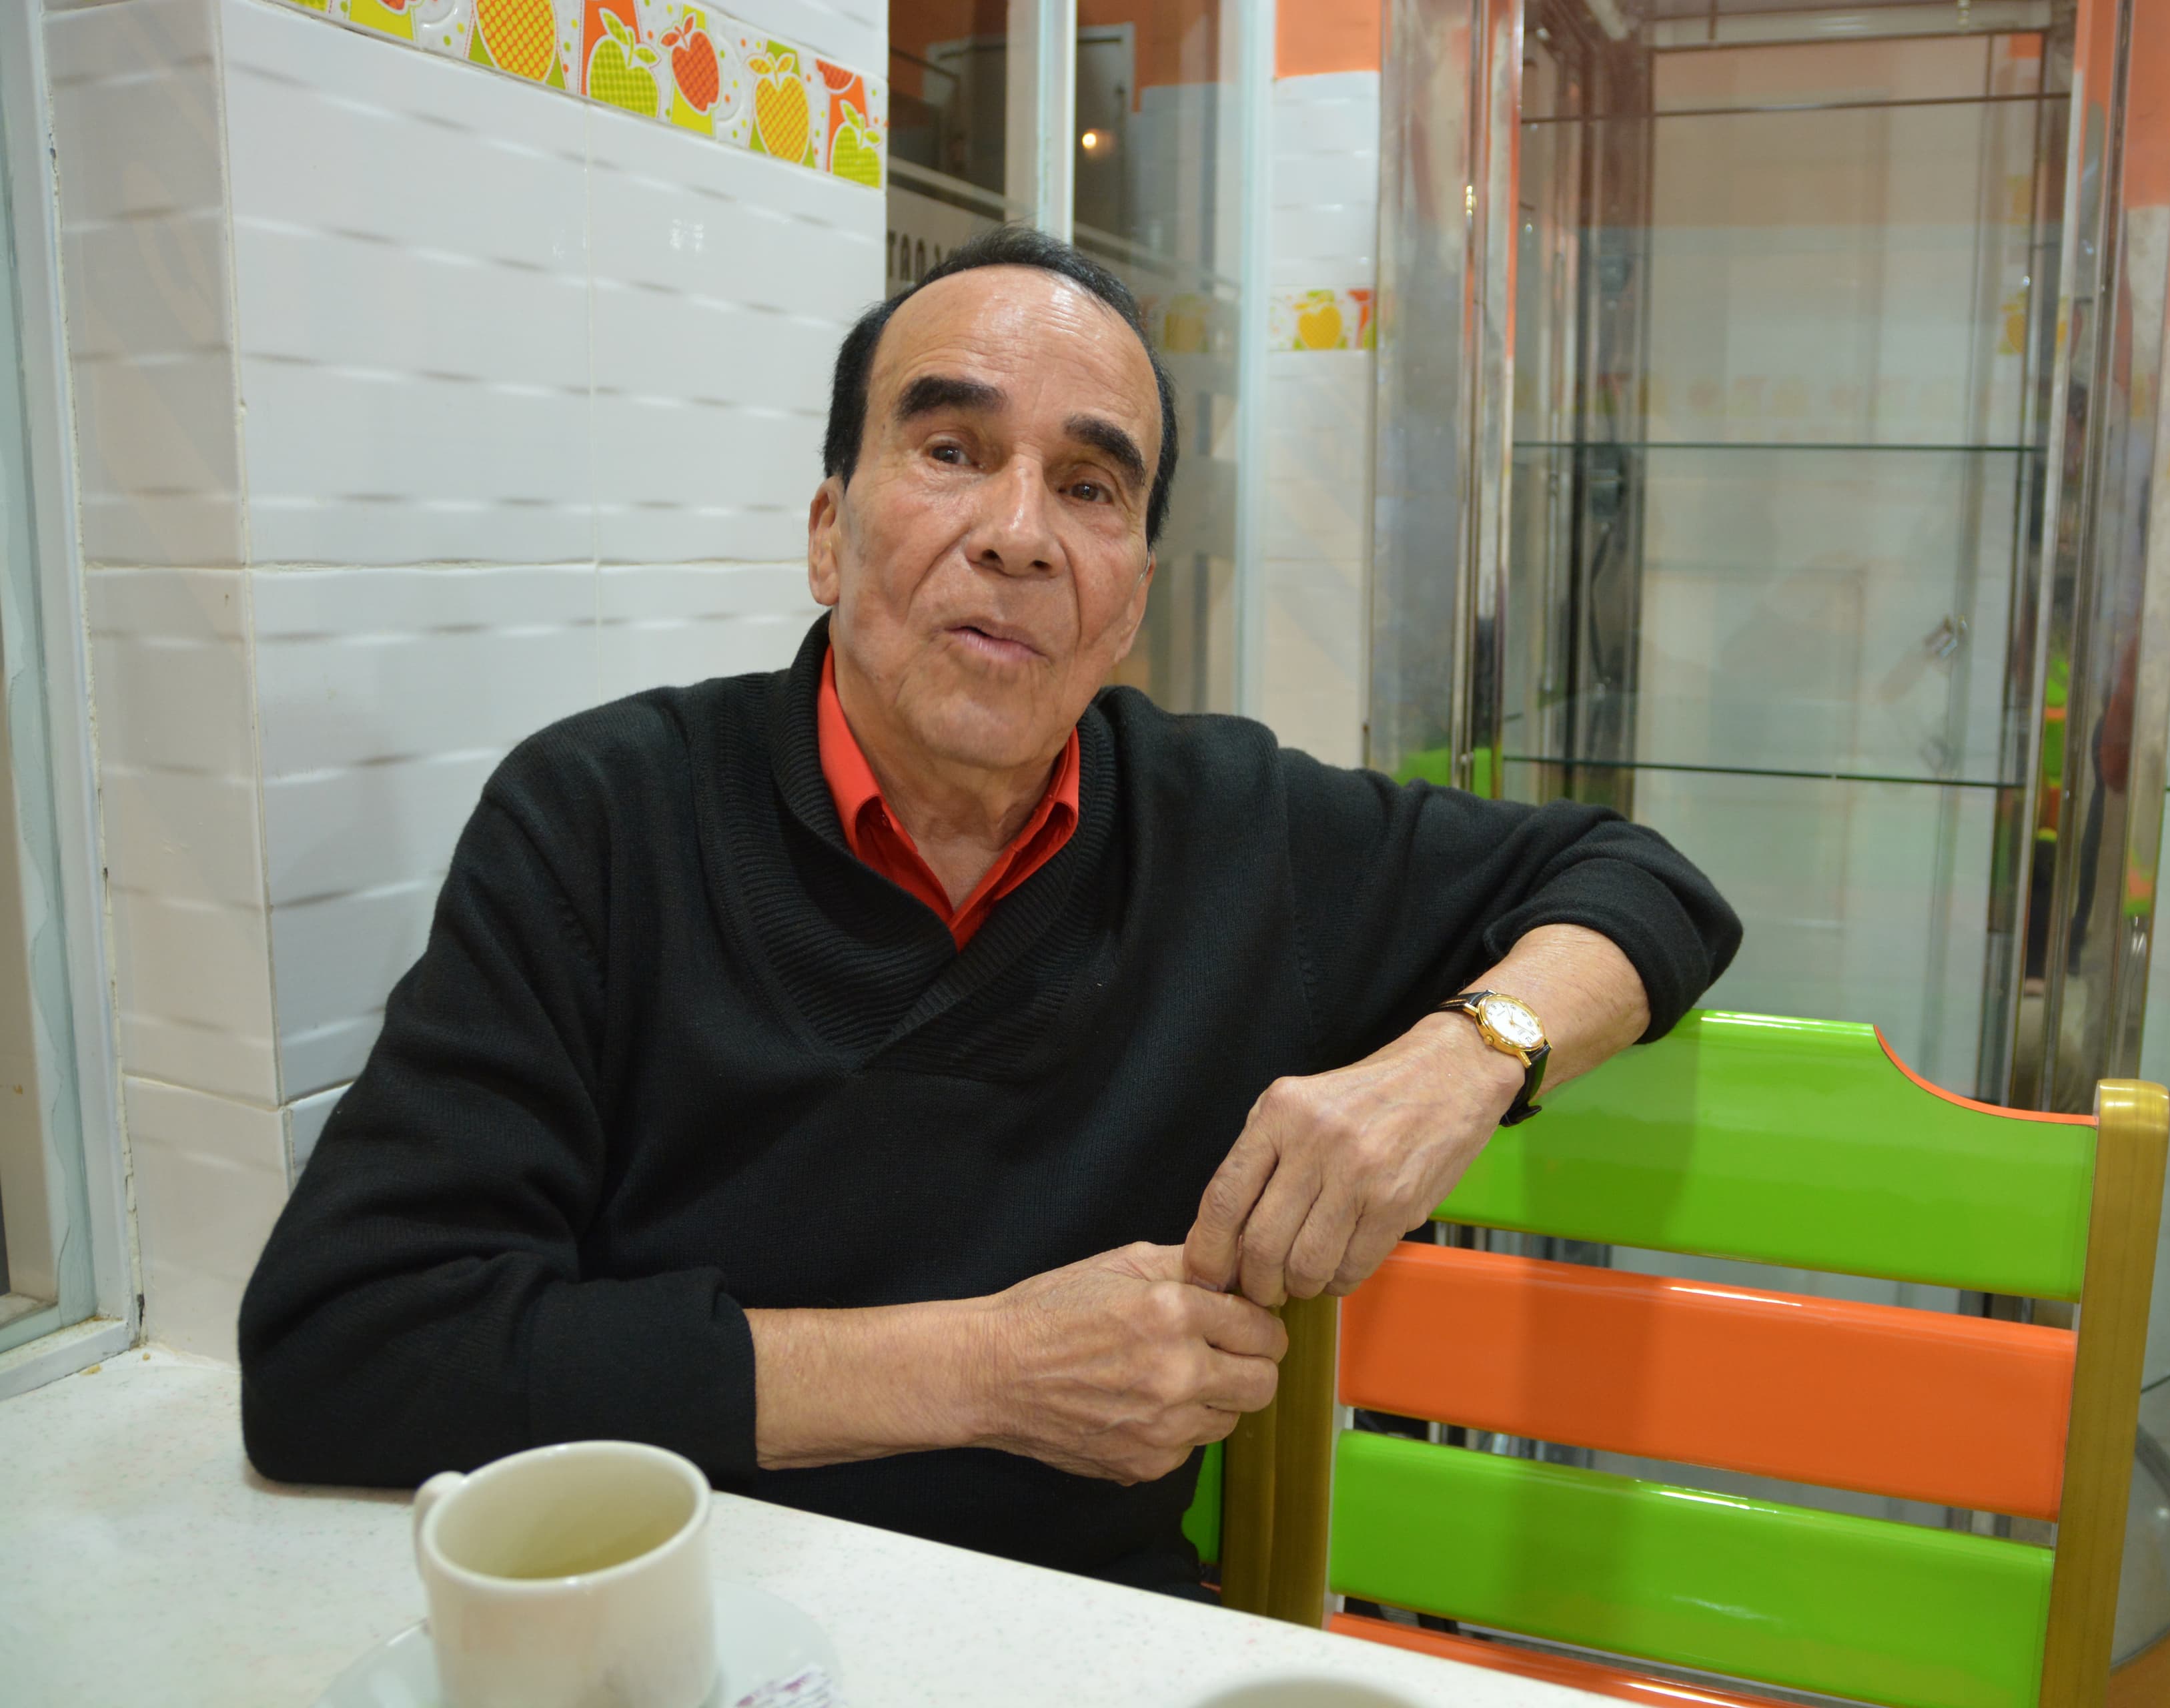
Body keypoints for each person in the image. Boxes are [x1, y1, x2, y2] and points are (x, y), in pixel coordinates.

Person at [237, 226, 1740, 1599]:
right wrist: (990, 1365)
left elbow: (1646, 883)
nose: (1020, 533)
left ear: (1131, 596)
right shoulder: (604, 819)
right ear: (828, 533)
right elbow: (347, 1348)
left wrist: (1470, 1052)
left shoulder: (1235, 828)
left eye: (1089, 487)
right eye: (952, 447)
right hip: (685, 1623)